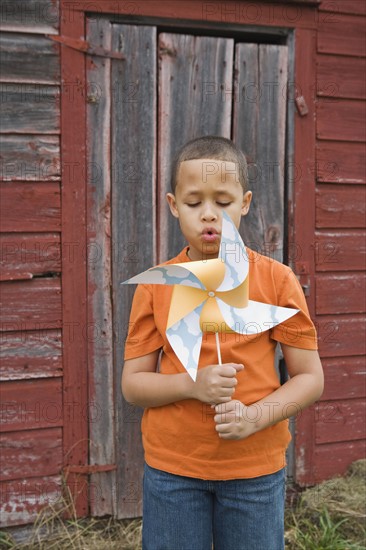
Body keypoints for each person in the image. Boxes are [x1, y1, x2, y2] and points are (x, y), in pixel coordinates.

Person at [121, 136, 324, 550]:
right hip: (173, 470)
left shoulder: (276, 280)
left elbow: (310, 378)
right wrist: (190, 385)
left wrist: (254, 417)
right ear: (174, 205)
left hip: (254, 469)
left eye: (224, 202)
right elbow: (133, 386)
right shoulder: (158, 287)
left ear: (245, 202)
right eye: (194, 203)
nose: (209, 215)